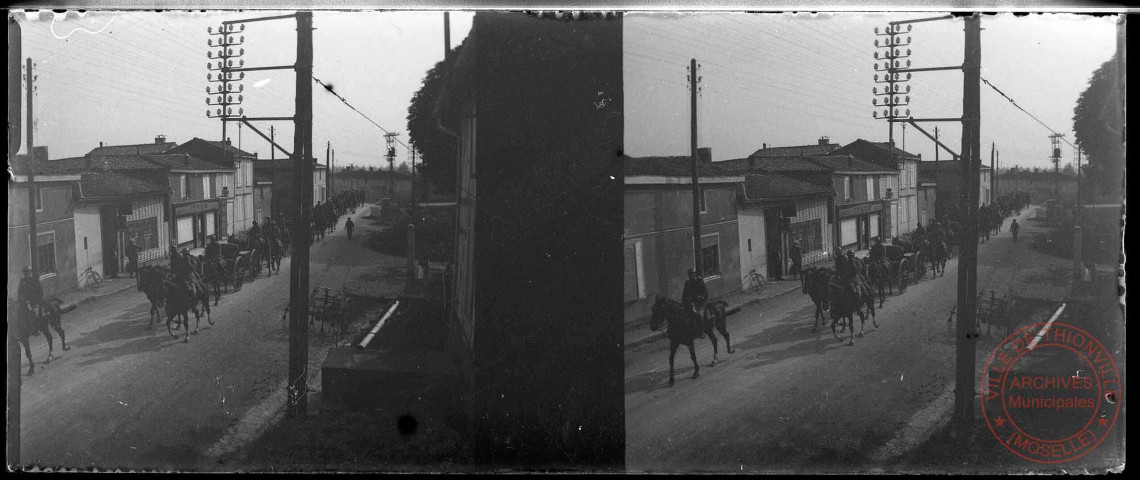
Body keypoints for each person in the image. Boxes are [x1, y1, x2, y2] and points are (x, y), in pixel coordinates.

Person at [681, 267, 709, 339]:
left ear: (695, 274)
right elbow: (684, 294)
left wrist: (700, 297)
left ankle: (702, 332)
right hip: (690, 303)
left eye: (693, 274)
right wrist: (684, 301)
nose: (691, 276)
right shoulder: (687, 283)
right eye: (690, 275)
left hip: (700, 303)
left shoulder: (700, 281)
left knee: (699, 315)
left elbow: (705, 294)